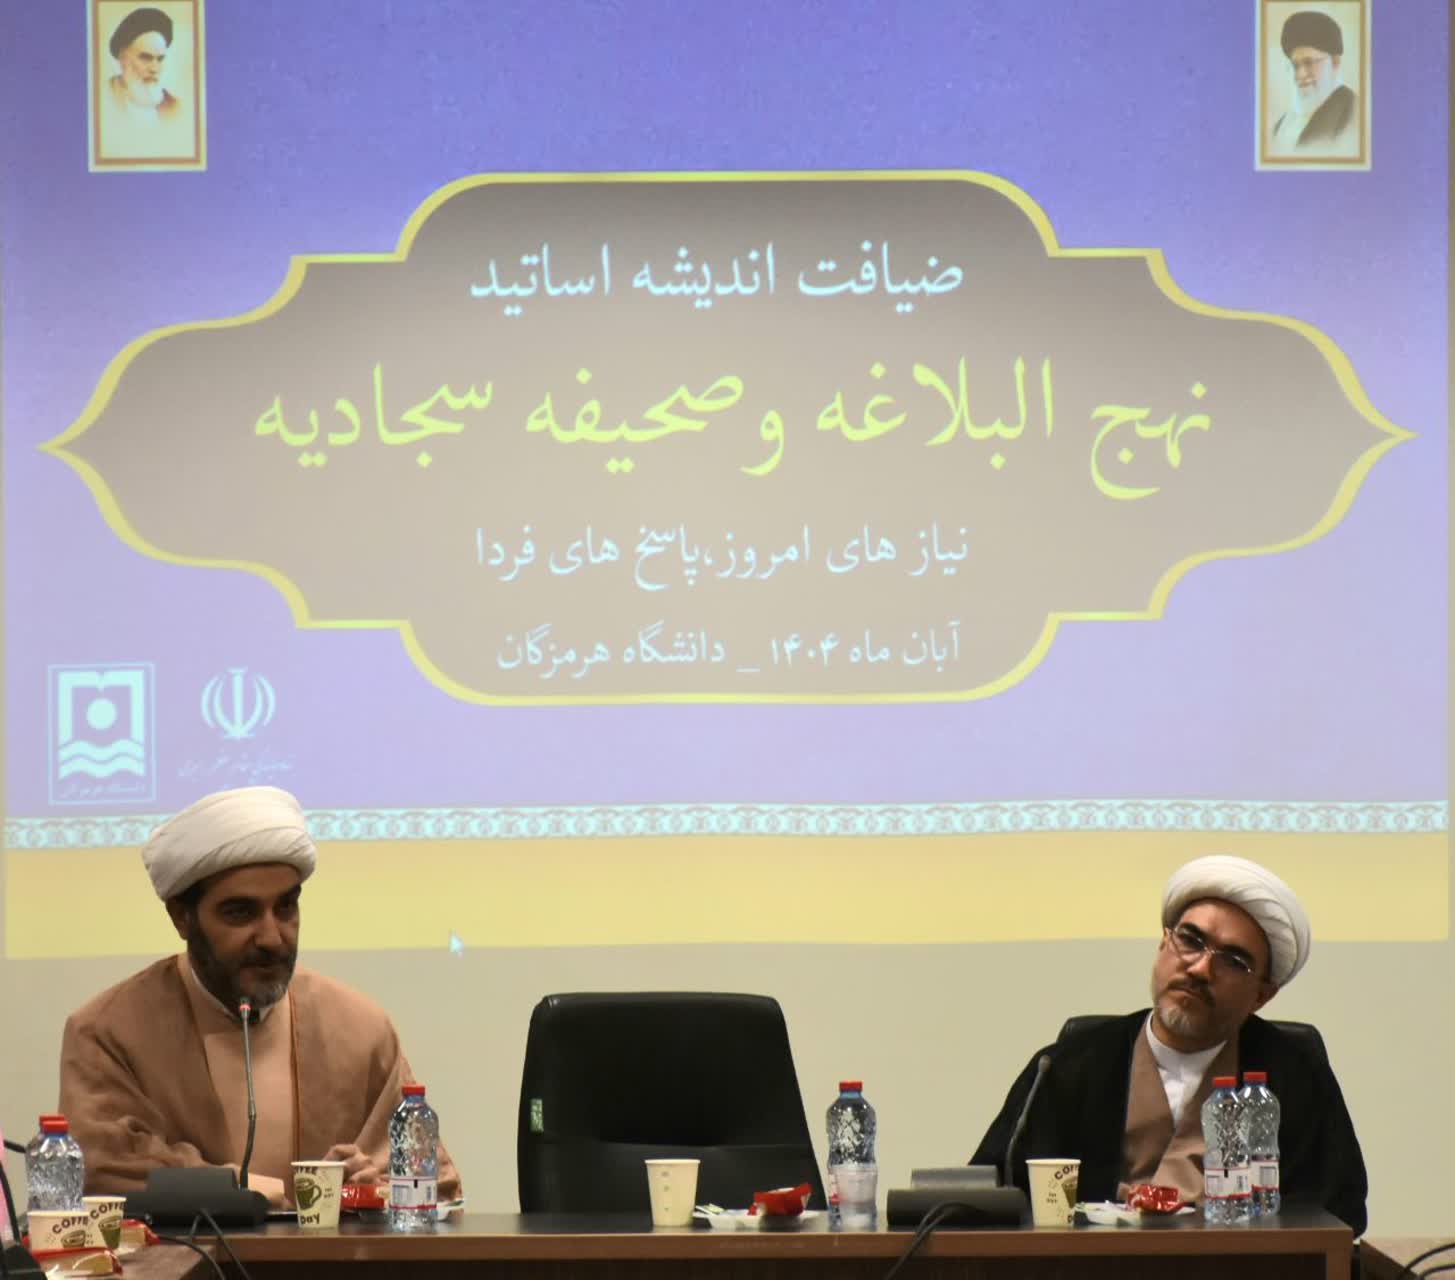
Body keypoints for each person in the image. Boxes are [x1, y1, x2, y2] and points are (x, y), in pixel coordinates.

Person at [58, 786, 462, 1207]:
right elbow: (99, 1170)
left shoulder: (359, 1028)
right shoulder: (109, 1032)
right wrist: (235, 1190)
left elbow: (437, 1185)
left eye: (285, 908)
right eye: (241, 912)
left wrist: (368, 1188)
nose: (271, 937)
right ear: (182, 917)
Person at [971, 854, 1367, 1234]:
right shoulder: (1070, 1065)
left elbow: (1338, 1211)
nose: (1200, 968)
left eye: (1233, 960)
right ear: (1163, 943)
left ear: (1262, 996)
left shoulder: (1294, 1076)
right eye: (1190, 940)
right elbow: (991, 1196)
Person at [99, 7, 191, 157]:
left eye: (160, 59)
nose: (154, 68)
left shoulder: (175, 108)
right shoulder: (103, 99)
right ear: (123, 58)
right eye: (145, 58)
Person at [1270, 11, 1358, 153]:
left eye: (1309, 63)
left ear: (1335, 62)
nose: (1300, 75)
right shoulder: (1282, 125)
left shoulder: (1354, 113)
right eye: (1295, 65)